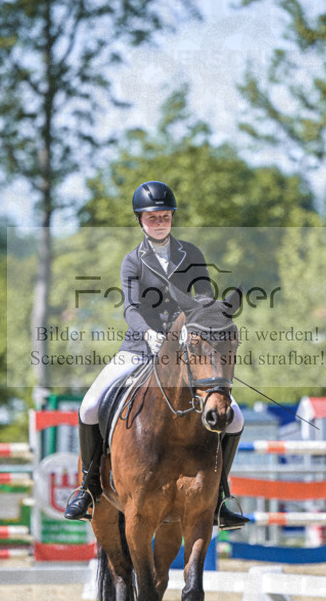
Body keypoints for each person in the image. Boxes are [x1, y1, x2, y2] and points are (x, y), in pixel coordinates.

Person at [65, 180, 249, 529]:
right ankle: (89, 487)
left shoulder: (190, 254)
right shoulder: (132, 261)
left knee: (235, 418)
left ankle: (220, 496)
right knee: (89, 405)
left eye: (165, 216)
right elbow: (131, 308)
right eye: (152, 218)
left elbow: (205, 298)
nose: (160, 222)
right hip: (139, 346)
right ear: (141, 221)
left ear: (171, 218)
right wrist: (149, 334)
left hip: (187, 351)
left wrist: (204, 323)